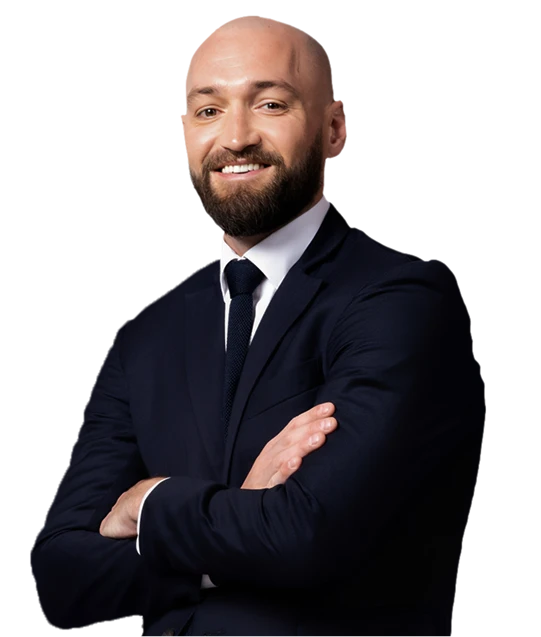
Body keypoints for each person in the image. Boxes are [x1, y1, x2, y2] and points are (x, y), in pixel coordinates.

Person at [31, 16, 485, 637]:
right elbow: (61, 575)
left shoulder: (402, 302)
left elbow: (308, 534)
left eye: (270, 104)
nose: (236, 137)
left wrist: (153, 501)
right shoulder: (148, 334)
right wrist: (240, 519)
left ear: (334, 129)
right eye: (208, 110)